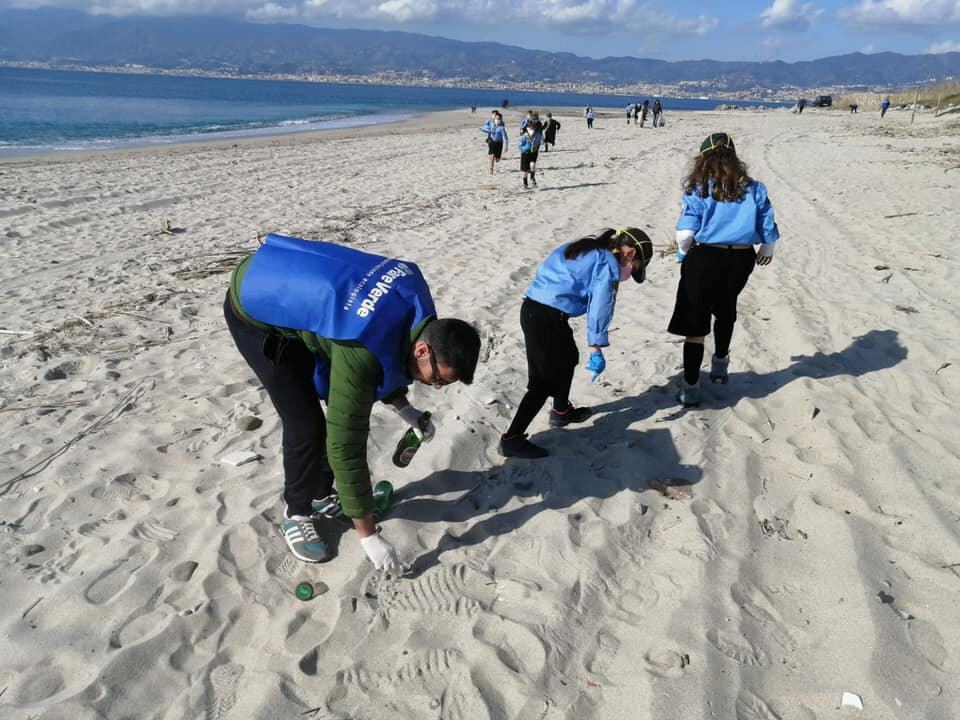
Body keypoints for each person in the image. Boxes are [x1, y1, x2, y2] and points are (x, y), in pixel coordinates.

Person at [224, 234, 481, 569]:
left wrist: (406, 409)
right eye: (437, 379)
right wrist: (368, 536)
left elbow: (388, 355)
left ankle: (322, 495)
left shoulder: (419, 314)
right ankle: (296, 512)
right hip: (255, 308)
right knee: (307, 425)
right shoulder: (362, 348)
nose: (435, 387)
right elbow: (346, 444)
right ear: (422, 350)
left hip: (297, 288)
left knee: (336, 399)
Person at [499, 228, 654, 458]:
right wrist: (596, 347)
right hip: (546, 317)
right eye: (635, 267)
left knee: (569, 356)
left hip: (535, 309)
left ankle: (561, 411)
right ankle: (512, 438)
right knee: (542, 382)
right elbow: (600, 306)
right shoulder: (608, 263)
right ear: (630, 254)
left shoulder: (587, 246)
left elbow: (550, 267)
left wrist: (535, 292)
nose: (630, 272)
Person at [668, 133, 779, 407]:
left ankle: (690, 387)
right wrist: (767, 248)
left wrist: (682, 252)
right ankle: (720, 366)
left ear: (703, 159)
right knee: (726, 307)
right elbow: (767, 220)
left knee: (696, 321)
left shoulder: (699, 188)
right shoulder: (754, 188)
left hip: (705, 256)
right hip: (740, 259)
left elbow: (685, 233)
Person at [519, 119, 542, 188]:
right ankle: (525, 183)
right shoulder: (524, 135)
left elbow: (538, 143)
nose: (531, 129)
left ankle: (532, 177)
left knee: (532, 165)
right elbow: (521, 144)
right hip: (525, 153)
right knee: (525, 170)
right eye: (529, 127)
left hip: (533, 152)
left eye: (532, 127)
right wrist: (522, 150)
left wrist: (535, 147)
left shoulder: (537, 134)